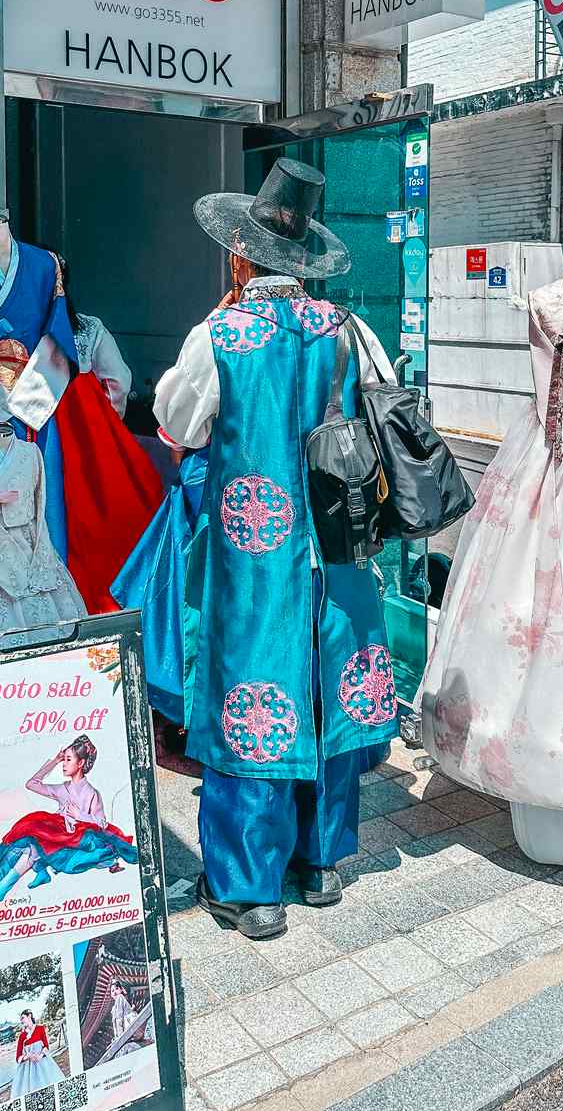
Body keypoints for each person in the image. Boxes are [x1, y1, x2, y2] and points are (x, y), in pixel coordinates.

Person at [154, 157, 398, 939]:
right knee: (324, 683)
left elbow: (180, 424)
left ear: (240, 256)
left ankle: (247, 887)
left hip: (253, 548)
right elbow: (384, 405)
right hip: (338, 541)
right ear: (303, 264)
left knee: (249, 689)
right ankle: (320, 865)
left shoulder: (219, 335)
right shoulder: (348, 330)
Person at [0, 736, 138, 905]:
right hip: (59, 832)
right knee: (32, 831)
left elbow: (101, 823)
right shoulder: (63, 788)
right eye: (63, 760)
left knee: (37, 845)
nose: (64, 764)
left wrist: (78, 814)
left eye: (68, 759)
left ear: (80, 763)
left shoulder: (91, 793)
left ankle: (4, 888)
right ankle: (17, 881)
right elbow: (31, 784)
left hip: (82, 838)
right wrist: (54, 761)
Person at [10, 1009, 64, 1097]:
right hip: (28, 1069)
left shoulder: (40, 1029)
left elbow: (46, 1046)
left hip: (43, 1063)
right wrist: (28, 1056)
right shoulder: (22, 1036)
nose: (22, 1021)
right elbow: (18, 1057)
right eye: (21, 1019)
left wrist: (40, 1056)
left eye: (23, 1018)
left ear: (29, 1016)